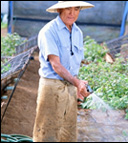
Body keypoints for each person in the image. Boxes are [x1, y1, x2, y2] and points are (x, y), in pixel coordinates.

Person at [33, 1, 94, 142]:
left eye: (76, 9)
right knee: (46, 133)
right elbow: (56, 65)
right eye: (68, 8)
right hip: (51, 87)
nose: (72, 13)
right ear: (60, 9)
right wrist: (76, 82)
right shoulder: (49, 31)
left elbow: (73, 63)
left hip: (70, 88)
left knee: (68, 132)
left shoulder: (78, 32)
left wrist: (77, 84)